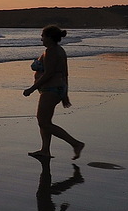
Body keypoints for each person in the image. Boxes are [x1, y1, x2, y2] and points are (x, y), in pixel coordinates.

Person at [23, 25, 85, 159]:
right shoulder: (60, 50)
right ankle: (45, 150)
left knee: (43, 122)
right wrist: (65, 94)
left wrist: (31, 89)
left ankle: (75, 143)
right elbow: (65, 73)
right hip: (57, 89)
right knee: (45, 121)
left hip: (51, 89)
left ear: (49, 37)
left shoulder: (51, 51)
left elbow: (49, 74)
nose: (41, 39)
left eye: (43, 36)